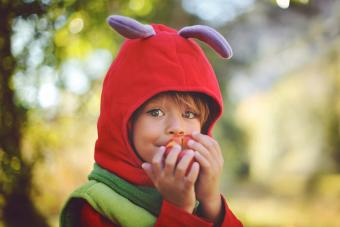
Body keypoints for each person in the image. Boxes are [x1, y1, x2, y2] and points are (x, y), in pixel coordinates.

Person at [60, 15, 243, 227]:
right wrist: (178, 211)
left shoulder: (201, 196)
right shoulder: (94, 206)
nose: (176, 127)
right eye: (156, 112)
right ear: (125, 122)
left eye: (189, 114)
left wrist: (212, 202)